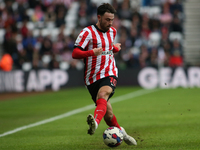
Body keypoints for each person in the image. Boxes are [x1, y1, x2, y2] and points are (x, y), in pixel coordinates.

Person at [72, 3, 137, 146]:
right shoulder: (87, 32)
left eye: (112, 19)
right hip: (92, 77)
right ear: (99, 17)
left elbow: (107, 47)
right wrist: (91, 52)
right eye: (107, 19)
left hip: (110, 72)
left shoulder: (112, 31)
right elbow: (75, 53)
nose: (110, 23)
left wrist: (114, 48)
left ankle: (95, 122)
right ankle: (123, 133)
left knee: (103, 94)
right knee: (108, 114)